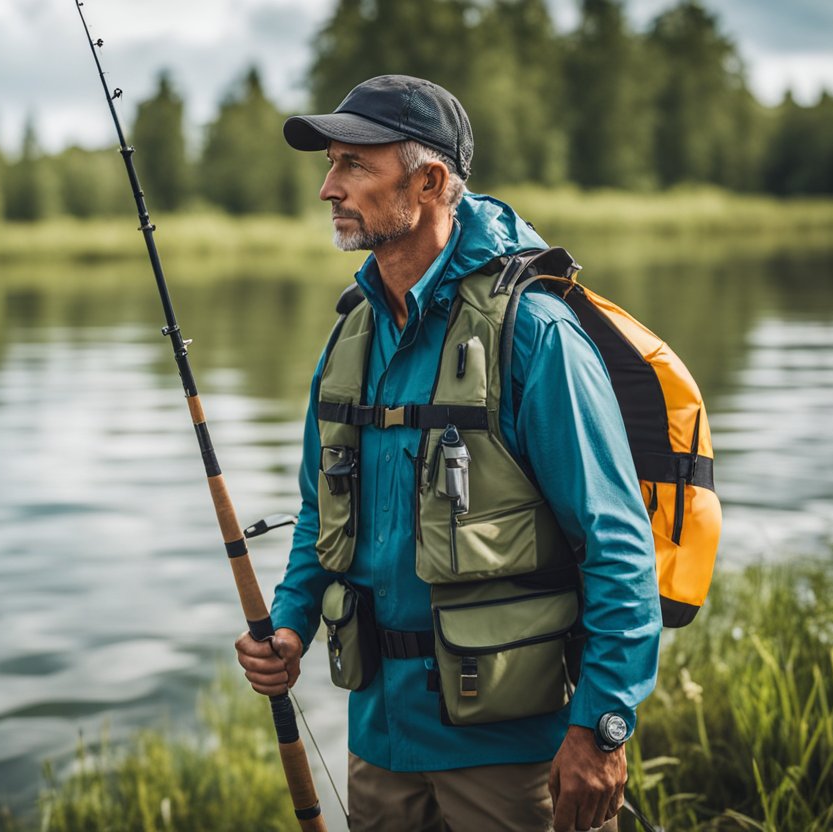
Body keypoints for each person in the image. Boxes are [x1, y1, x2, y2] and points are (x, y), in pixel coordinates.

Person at [235, 74, 662, 832]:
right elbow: (319, 511)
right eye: (329, 165)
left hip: (512, 753)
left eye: (353, 165)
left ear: (429, 181)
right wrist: (293, 621)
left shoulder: (534, 335)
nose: (328, 188)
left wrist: (600, 727)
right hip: (379, 743)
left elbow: (618, 546)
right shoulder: (351, 337)